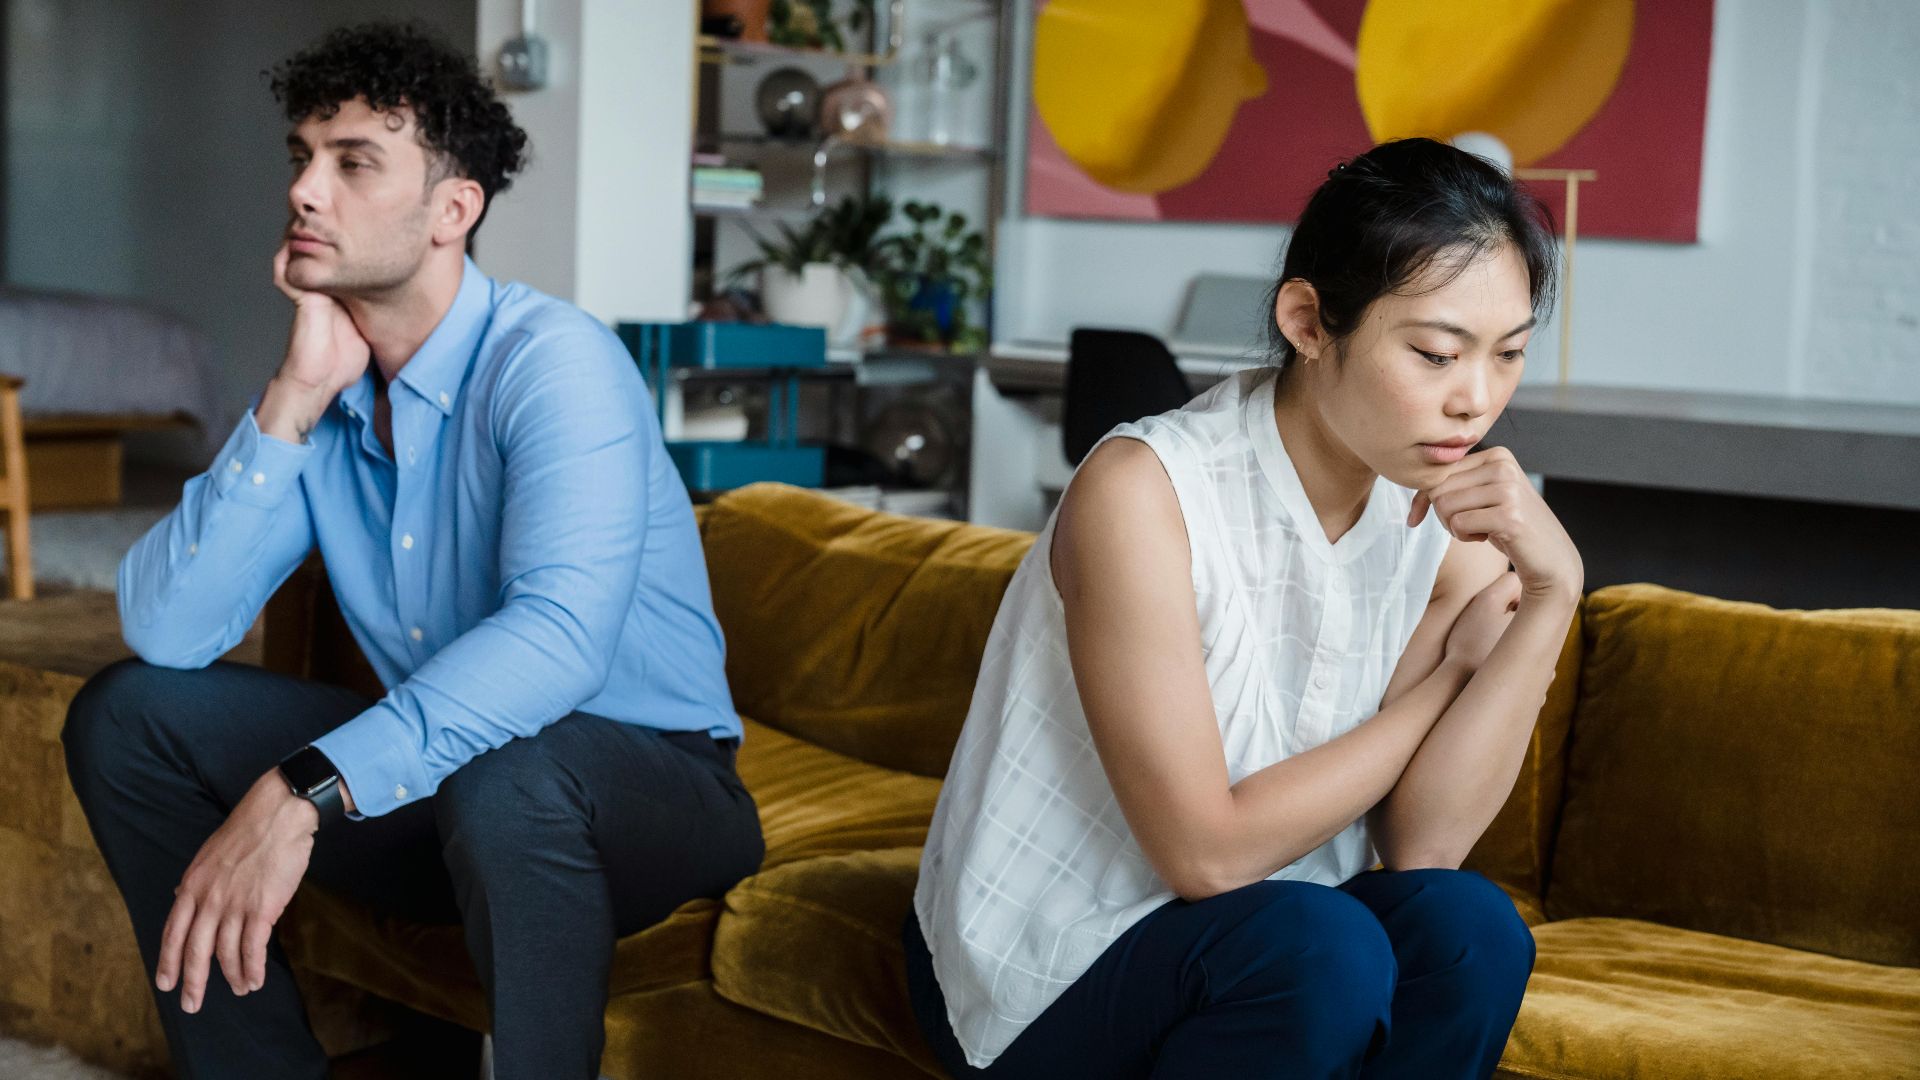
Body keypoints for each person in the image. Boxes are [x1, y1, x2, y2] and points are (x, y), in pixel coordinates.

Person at [62, 22, 763, 1080]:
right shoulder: (332, 389)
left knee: (510, 778)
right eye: (302, 157)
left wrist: (306, 785)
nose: (305, 190)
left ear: (454, 210)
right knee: (127, 714)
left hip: (650, 793)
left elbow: (559, 640)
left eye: (352, 164)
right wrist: (294, 398)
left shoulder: (554, 362)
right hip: (454, 785)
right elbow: (168, 628)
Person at [907, 138, 1583, 1078]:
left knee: (1470, 929)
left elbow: (1424, 843)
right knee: (1320, 949)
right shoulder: (1144, 490)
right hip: (1051, 954)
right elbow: (1207, 857)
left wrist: (1552, 599)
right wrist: (1452, 679)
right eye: (1434, 352)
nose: (1475, 399)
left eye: (1507, 354)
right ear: (1308, 319)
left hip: (1277, 935)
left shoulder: (1446, 511)